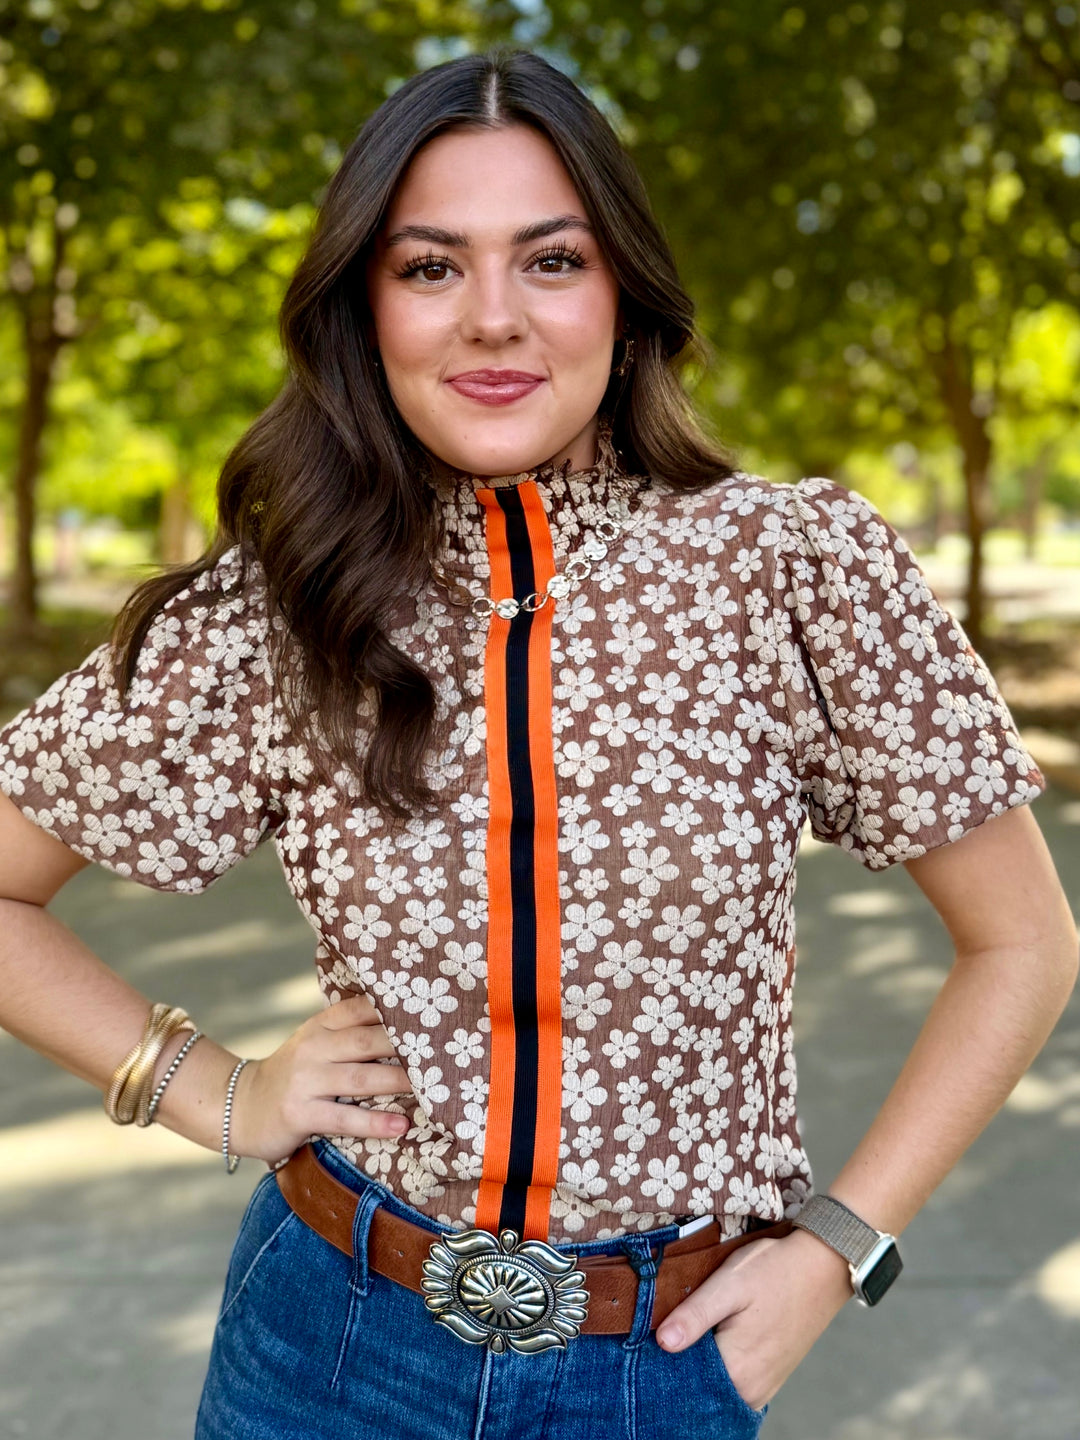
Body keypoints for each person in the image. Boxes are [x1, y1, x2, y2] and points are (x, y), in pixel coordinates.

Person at [0, 45, 1075, 1440]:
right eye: (431, 266)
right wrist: (218, 1090)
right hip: (326, 1350)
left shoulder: (791, 564)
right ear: (363, 309)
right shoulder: (285, 604)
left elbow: (1025, 943)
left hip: (661, 1368)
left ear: (624, 298)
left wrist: (835, 1252)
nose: (492, 318)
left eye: (551, 261)